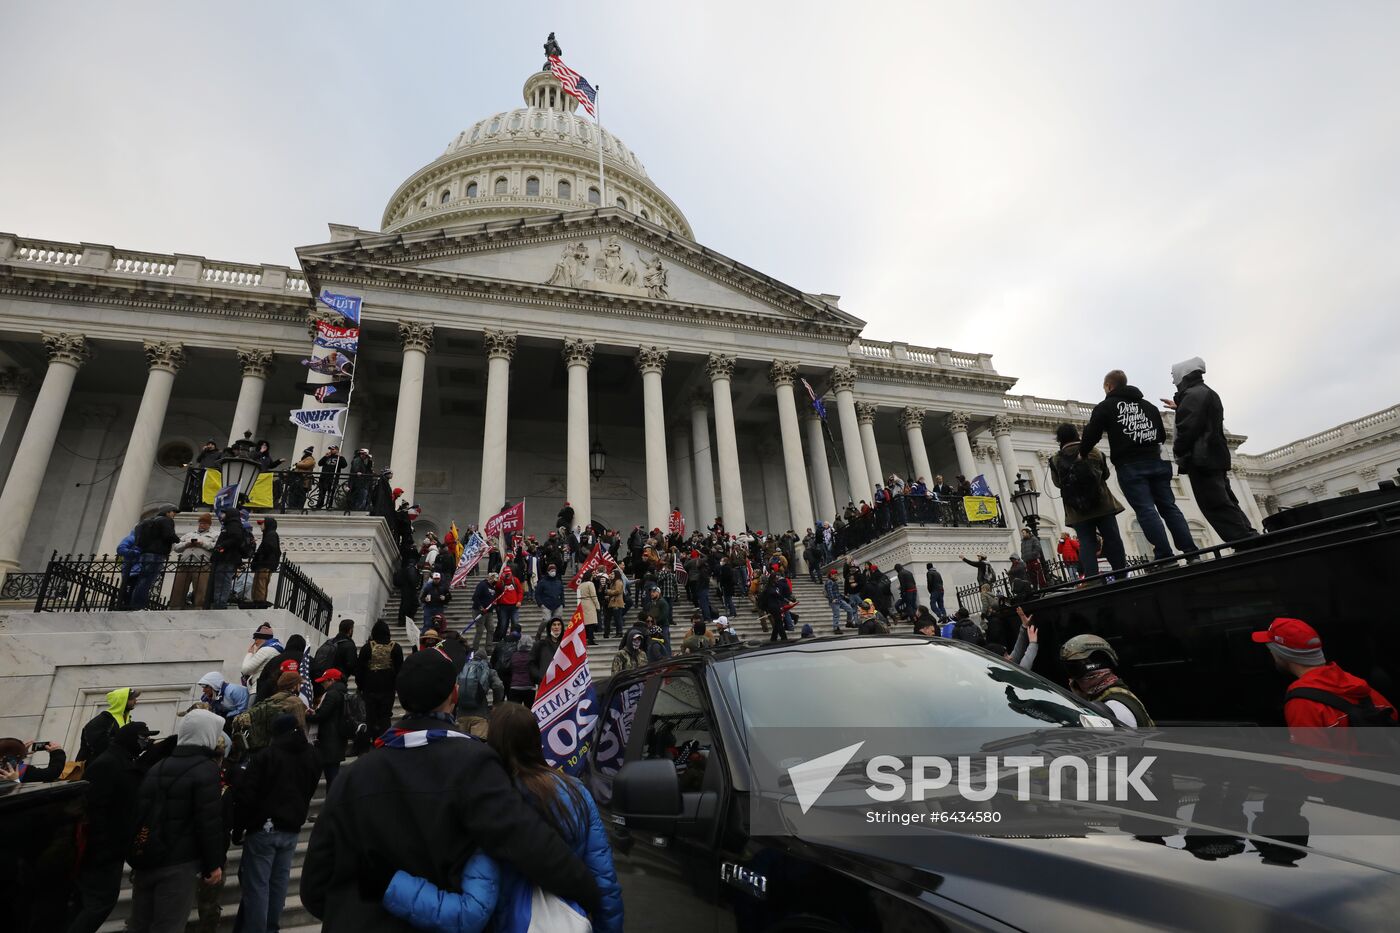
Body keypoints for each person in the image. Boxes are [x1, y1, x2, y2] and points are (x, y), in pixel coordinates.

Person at [303, 650, 603, 930]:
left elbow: (314, 888)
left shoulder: (352, 777)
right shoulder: (474, 765)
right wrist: (589, 893)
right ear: (454, 695)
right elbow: (528, 843)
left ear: (401, 697)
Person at [380, 702, 623, 933]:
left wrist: (387, 883)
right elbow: (605, 883)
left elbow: (471, 912)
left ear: (493, 743)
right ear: (536, 740)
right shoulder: (576, 791)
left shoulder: (491, 804)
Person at [1077, 368, 1198, 563]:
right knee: (1169, 507)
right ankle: (1191, 552)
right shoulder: (1149, 406)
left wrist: (1082, 453)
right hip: (1158, 461)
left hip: (1130, 465)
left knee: (1146, 510)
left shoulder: (1106, 406)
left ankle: (1166, 557)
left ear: (1108, 386)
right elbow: (1160, 435)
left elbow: (1093, 433)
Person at [127, 709, 226, 933]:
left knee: (140, 925)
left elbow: (138, 814)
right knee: (169, 926)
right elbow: (208, 821)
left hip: (147, 858)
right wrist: (213, 863)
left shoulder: (157, 766)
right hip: (179, 863)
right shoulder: (206, 769)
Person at [231, 714, 321, 933]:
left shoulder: (266, 756)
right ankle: (271, 928)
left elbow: (248, 795)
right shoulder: (312, 755)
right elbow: (309, 789)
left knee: (257, 886)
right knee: (278, 884)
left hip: (264, 827)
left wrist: (239, 826)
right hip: (291, 828)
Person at [63, 722, 152, 933]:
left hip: (110, 848)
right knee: (98, 904)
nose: (145, 742)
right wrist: (105, 846)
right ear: (131, 739)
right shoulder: (108, 763)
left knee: (91, 904)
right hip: (101, 851)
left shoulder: (122, 760)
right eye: (143, 737)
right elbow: (93, 809)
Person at [1166, 357, 1257, 545]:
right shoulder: (1203, 393)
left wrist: (1179, 450)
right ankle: (1247, 535)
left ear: (1184, 374)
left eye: (1173, 375)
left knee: (1214, 504)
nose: (1173, 380)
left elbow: (1187, 429)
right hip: (1213, 456)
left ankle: (1243, 541)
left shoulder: (1193, 396)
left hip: (1202, 458)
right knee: (1226, 501)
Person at [1252, 617, 1398, 731]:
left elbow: (1314, 762)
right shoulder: (1359, 685)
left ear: (1282, 654)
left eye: (1271, 651)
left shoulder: (1302, 702)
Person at [1049, 423, 1128, 579]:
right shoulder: (1093, 451)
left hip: (1077, 509)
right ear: (1076, 434)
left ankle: (1092, 578)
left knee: (1086, 543)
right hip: (1102, 504)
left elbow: (1058, 483)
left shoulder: (1056, 459)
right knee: (1112, 539)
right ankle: (1121, 574)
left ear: (1059, 439)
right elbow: (1105, 474)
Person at [1059, 634, 1152, 727]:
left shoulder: (1114, 706)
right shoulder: (1117, 694)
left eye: (1075, 668)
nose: (1075, 680)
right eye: (1070, 669)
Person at [357, 620, 403, 740]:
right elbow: (400, 670)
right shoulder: (396, 648)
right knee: (385, 716)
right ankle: (384, 741)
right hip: (388, 688)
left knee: (369, 716)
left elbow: (360, 669)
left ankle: (367, 743)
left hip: (370, 687)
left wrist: (360, 686)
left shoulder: (367, 648)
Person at [130, 504, 179, 609]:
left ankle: (135, 604)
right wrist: (178, 539)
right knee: (148, 581)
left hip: (144, 554)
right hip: (157, 554)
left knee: (142, 580)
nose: (174, 514)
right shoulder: (166, 520)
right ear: (167, 512)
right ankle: (139, 606)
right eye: (173, 512)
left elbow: (138, 539)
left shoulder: (146, 522)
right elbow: (168, 535)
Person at [306, 668, 349, 788]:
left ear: (331, 680)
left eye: (324, 681)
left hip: (329, 739)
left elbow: (322, 715)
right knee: (333, 772)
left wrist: (307, 716)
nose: (322, 684)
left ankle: (333, 802)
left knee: (331, 775)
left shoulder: (331, 694)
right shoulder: (342, 692)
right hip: (337, 738)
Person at [77, 686, 139, 763]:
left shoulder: (126, 718)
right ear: (122, 700)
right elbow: (96, 745)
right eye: (132, 699)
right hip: (99, 766)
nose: (136, 701)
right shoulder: (104, 718)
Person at [169, 513, 215, 610]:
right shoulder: (189, 534)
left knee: (201, 589)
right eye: (200, 523)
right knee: (178, 588)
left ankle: (199, 608)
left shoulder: (215, 535)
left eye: (204, 523)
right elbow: (176, 547)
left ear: (209, 524)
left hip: (202, 565)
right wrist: (187, 544)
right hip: (184, 564)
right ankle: (175, 607)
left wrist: (202, 544)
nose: (202, 525)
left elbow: (215, 547)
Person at [455, 649, 504, 738]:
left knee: (462, 746)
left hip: (461, 715)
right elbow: (498, 685)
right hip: (480, 714)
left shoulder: (462, 669)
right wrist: (496, 703)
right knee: (479, 745)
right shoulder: (488, 670)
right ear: (485, 659)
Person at [210, 508, 250, 609]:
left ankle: (220, 603)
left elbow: (236, 538)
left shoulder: (234, 525)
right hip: (223, 559)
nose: (222, 515)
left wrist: (222, 546)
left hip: (227, 558)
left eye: (224, 513)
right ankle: (218, 602)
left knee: (223, 581)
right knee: (220, 581)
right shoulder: (229, 525)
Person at [241, 624, 282, 703]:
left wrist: (250, 653)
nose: (255, 642)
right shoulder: (277, 649)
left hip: (257, 690)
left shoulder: (265, 650)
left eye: (257, 639)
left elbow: (245, 670)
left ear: (264, 639)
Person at [0, 737, 65, 785]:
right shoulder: (21, 772)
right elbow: (51, 774)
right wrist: (57, 752)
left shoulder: (8, 766)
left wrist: (21, 754)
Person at [250, 517, 281, 605]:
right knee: (259, 583)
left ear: (268, 524)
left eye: (262, 524)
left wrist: (259, 555)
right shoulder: (269, 534)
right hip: (264, 564)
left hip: (265, 565)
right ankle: (257, 600)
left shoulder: (271, 535)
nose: (260, 526)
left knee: (260, 584)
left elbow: (269, 549)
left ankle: (259, 601)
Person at [493, 568, 524, 641]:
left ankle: (514, 638)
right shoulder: (501, 581)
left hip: (514, 606)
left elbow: (520, 591)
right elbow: (497, 588)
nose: (508, 576)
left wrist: (519, 601)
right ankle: (502, 638)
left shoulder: (515, 580)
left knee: (515, 623)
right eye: (506, 574)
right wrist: (500, 579)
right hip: (503, 606)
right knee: (503, 624)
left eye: (509, 574)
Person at [824, 568, 855, 633]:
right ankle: (836, 628)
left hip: (839, 600)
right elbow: (829, 592)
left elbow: (837, 592)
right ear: (831, 575)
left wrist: (844, 597)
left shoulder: (834, 581)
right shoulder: (829, 581)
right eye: (834, 575)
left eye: (836, 575)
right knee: (836, 615)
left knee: (849, 609)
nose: (836, 576)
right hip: (834, 601)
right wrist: (832, 599)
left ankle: (849, 622)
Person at [535, 562, 564, 629]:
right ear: (548, 572)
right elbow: (537, 594)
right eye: (551, 571)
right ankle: (539, 633)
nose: (553, 572)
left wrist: (562, 603)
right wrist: (540, 604)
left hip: (557, 605)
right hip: (546, 605)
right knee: (546, 620)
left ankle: (554, 636)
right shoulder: (542, 582)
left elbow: (562, 593)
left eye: (554, 571)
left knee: (557, 622)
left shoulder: (558, 582)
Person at [317, 444, 347, 509]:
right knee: (322, 492)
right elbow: (319, 463)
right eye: (330, 449)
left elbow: (344, 465)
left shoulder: (339, 458)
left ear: (336, 450)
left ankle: (329, 505)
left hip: (333, 478)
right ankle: (319, 505)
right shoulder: (327, 456)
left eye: (332, 449)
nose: (331, 450)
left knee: (331, 493)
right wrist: (325, 456)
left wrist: (341, 457)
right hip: (324, 477)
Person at [577, 570, 601, 646]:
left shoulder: (580, 585)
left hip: (582, 603)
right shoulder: (590, 584)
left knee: (586, 623)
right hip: (589, 603)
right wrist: (597, 605)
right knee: (591, 623)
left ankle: (587, 638)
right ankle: (591, 639)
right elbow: (593, 595)